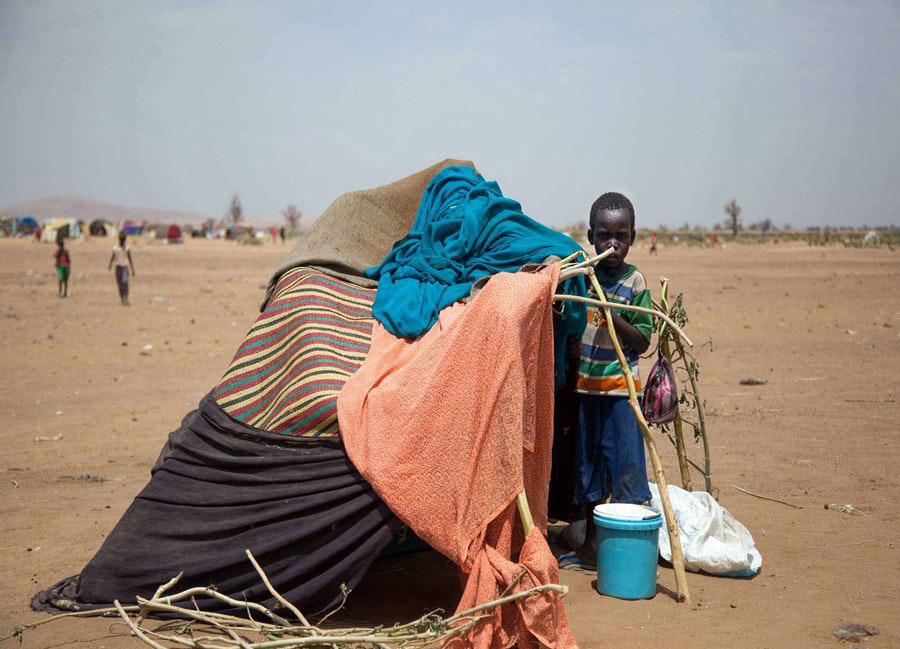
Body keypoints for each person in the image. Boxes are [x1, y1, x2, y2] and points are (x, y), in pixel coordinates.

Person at [566, 192, 653, 567]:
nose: (612, 245)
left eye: (621, 236)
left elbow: (643, 340)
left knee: (625, 467)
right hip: (587, 390)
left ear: (633, 237)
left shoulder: (635, 282)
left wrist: (610, 313)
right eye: (604, 236)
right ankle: (590, 547)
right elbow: (575, 326)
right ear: (591, 237)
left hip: (621, 394)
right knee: (588, 468)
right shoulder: (582, 279)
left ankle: (626, 553)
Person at [108, 232, 136, 305]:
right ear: (119, 239)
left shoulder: (127, 248)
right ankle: (122, 298)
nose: (122, 241)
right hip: (118, 267)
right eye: (121, 239)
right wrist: (110, 264)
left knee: (125, 282)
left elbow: (130, 259)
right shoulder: (115, 248)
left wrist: (132, 269)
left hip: (125, 267)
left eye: (123, 239)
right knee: (120, 283)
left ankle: (126, 297)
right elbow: (113, 256)